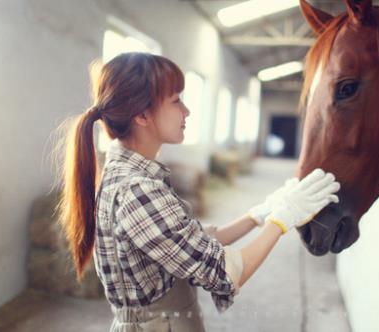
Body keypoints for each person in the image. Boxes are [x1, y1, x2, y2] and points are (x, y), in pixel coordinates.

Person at [55, 52, 340, 332]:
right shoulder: (137, 190)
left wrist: (259, 214)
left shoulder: (135, 176)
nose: (187, 110)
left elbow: (190, 243)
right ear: (142, 115)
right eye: (176, 100)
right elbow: (225, 273)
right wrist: (281, 220)